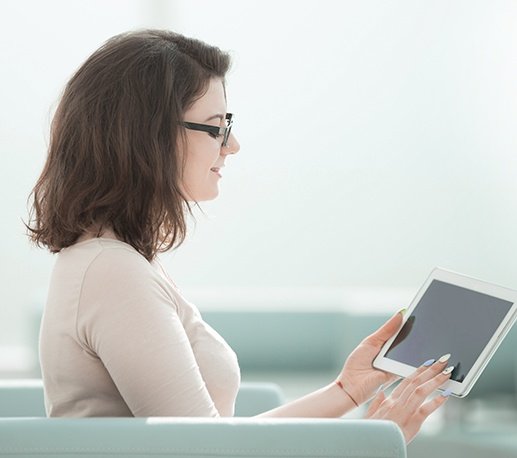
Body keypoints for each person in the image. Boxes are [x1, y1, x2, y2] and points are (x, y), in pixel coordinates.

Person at [26, 29, 453, 444]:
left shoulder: (118, 260)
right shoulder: (112, 271)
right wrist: (367, 443)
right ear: (149, 137)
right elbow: (211, 451)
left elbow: (213, 437)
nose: (232, 146)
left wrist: (346, 392)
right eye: (217, 127)